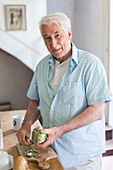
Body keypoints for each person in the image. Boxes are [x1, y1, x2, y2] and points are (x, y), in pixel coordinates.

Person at [16, 12, 111, 170]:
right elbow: (35, 101)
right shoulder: (41, 66)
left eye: (57, 35)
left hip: (82, 157)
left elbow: (97, 111)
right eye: (47, 38)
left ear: (69, 34)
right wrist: (26, 124)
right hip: (50, 152)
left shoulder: (91, 64)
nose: (53, 43)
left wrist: (59, 131)